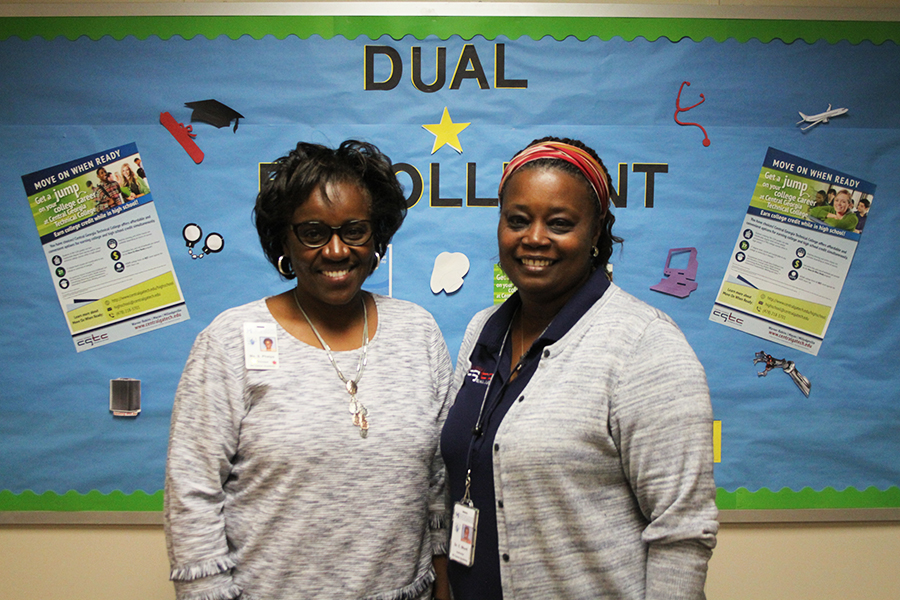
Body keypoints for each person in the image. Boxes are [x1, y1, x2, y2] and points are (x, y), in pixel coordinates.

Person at [165, 140, 453, 600]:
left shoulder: (417, 331)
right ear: (284, 240)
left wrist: (444, 584)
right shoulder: (230, 339)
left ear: (376, 237)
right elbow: (192, 492)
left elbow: (439, 480)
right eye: (314, 232)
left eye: (354, 230)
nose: (336, 251)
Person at [441, 137, 718, 600]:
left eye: (560, 223)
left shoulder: (644, 345)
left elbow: (682, 531)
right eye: (517, 220)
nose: (534, 238)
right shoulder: (482, 330)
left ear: (596, 234)